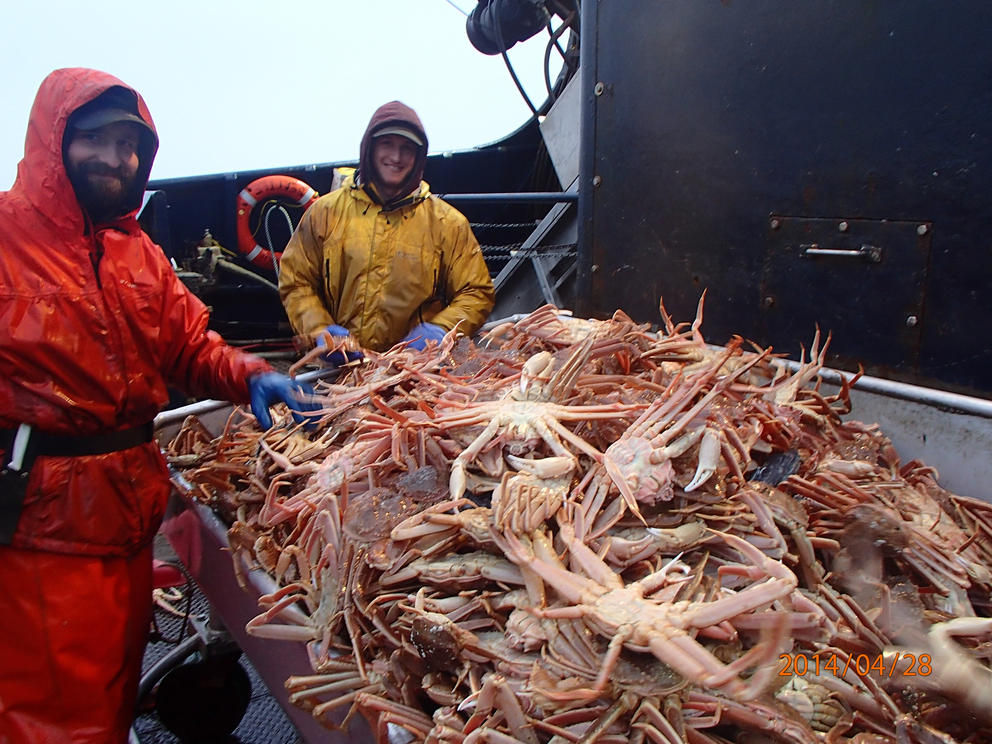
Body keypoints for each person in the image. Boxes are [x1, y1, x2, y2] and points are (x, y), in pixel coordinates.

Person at [0, 68, 317, 743]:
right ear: (54, 140)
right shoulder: (5, 238)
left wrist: (251, 375)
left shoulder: (138, 253)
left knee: (110, 688)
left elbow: (189, 348)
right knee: (46, 710)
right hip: (36, 524)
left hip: (125, 512)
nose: (116, 159)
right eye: (97, 141)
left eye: (130, 145)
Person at [278, 100, 495, 356]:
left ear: (419, 156)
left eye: (407, 148)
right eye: (387, 144)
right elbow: (296, 282)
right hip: (337, 368)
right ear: (369, 148)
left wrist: (441, 329)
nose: (396, 157)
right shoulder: (324, 212)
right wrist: (320, 330)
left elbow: (476, 292)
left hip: (416, 370)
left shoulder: (448, 223)